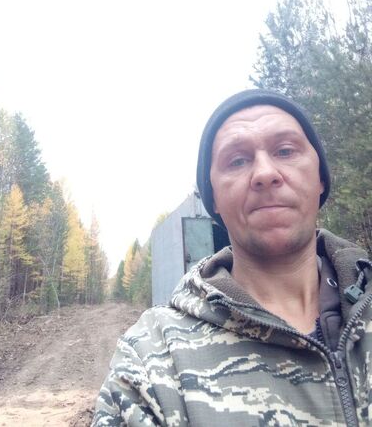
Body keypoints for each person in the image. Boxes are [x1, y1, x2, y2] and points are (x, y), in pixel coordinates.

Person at [92, 89, 372, 427]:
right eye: (237, 161)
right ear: (214, 200)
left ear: (321, 178)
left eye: (285, 150)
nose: (265, 173)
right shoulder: (153, 361)